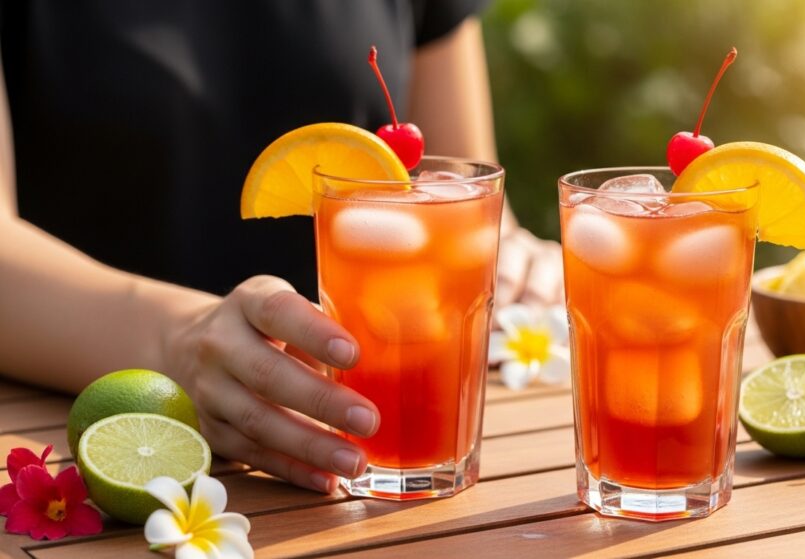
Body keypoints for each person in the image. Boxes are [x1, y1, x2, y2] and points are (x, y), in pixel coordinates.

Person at [0, 2, 563, 494]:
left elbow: (460, 186)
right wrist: (178, 340)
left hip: (383, 467)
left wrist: (514, 260)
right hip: (107, 448)